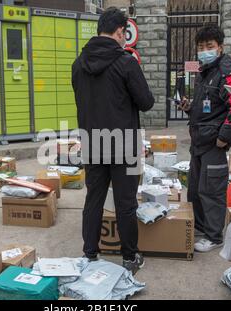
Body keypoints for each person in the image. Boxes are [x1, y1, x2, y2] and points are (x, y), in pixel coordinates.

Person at [72, 8, 154, 274]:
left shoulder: (78, 64)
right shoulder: (126, 62)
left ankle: (89, 253)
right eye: (123, 34)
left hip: (93, 141)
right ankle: (130, 257)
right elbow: (146, 102)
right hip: (123, 145)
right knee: (125, 202)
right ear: (120, 31)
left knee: (93, 198)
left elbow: (83, 102)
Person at [180, 26, 231, 252]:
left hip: (213, 143)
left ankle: (214, 236)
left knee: (211, 190)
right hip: (199, 141)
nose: (204, 51)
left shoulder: (226, 71)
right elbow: (208, 107)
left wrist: (223, 138)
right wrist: (190, 108)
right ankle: (200, 226)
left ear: (220, 48)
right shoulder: (205, 71)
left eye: (210, 47)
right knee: (196, 189)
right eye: (201, 47)